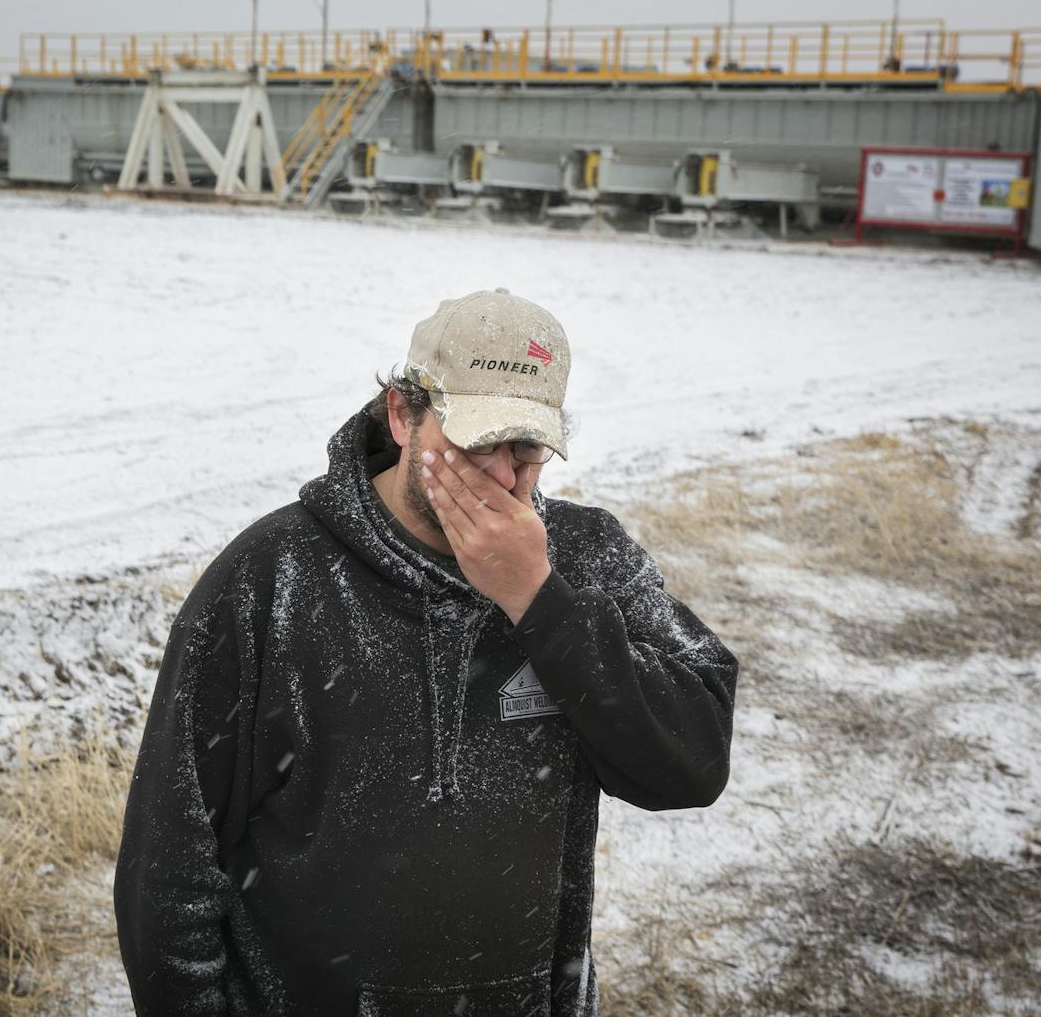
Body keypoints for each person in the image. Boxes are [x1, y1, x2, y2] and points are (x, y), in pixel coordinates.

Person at [115, 288, 738, 1016]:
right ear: (402, 414)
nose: (506, 478)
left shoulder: (583, 557)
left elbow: (692, 763)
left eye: (528, 447)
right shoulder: (272, 579)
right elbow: (171, 864)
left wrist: (541, 602)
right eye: (479, 442)